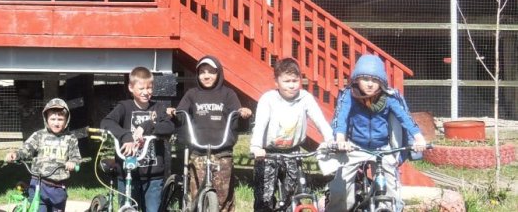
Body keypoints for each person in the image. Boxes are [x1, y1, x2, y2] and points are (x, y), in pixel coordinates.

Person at [326, 54, 428, 212]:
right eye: (365, 79)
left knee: (391, 189)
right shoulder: (349, 95)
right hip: (354, 147)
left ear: (382, 82)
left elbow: (405, 117)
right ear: (356, 80)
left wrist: (418, 138)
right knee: (341, 189)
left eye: (375, 80)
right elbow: (341, 117)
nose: (370, 84)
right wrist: (340, 139)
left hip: (381, 147)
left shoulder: (389, 97)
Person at [169, 55, 252, 212]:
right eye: (202, 72)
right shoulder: (192, 94)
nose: (206, 76)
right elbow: (181, 115)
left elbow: (237, 120)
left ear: (218, 73)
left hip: (222, 153)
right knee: (196, 194)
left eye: (211, 72)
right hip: (198, 152)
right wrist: (173, 114)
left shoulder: (228, 94)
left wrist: (243, 115)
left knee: (223, 198)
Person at [249, 57, 334, 211]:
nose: (292, 85)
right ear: (277, 82)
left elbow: (320, 120)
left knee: (293, 196)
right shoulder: (268, 99)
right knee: (264, 197)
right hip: (268, 153)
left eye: (295, 80)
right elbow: (260, 124)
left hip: (293, 152)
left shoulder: (305, 98)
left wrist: (330, 139)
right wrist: (256, 146)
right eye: (287, 81)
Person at [100, 66, 175, 212]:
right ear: (131, 87)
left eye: (149, 88)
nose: (146, 92)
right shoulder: (124, 107)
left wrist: (148, 126)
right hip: (128, 172)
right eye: (141, 88)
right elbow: (107, 122)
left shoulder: (158, 108)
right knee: (127, 208)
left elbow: (169, 127)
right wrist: (126, 136)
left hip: (153, 175)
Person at [5, 98, 82, 212]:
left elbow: (76, 157)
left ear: (67, 120)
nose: (56, 123)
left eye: (60, 119)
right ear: (46, 119)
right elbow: (26, 149)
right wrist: (16, 155)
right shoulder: (39, 135)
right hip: (38, 183)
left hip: (58, 187)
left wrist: (73, 163)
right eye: (53, 119)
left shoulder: (70, 138)